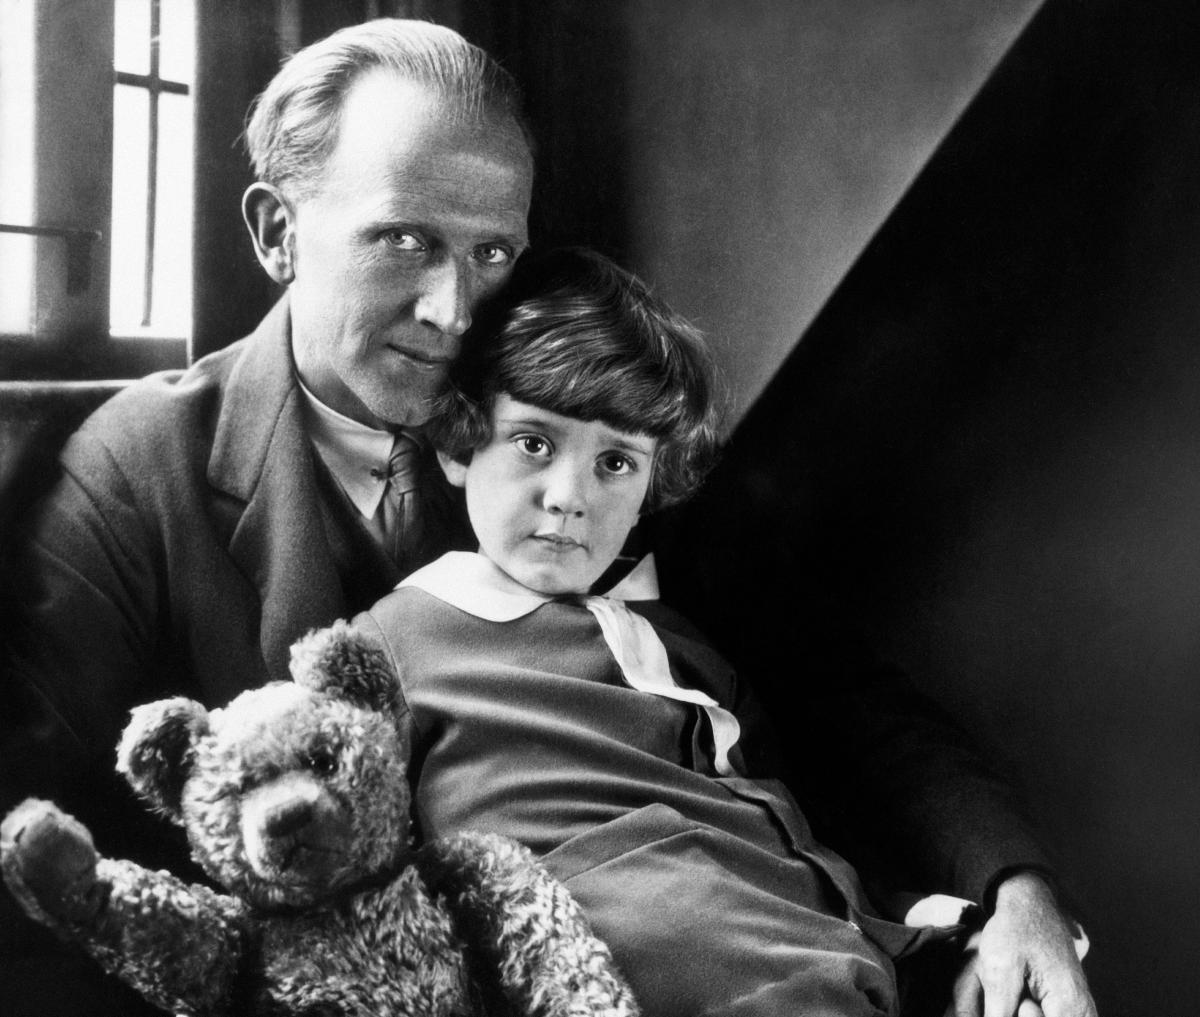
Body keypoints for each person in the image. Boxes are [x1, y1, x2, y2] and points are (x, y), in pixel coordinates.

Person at [0, 17, 1092, 1017]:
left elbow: (835, 690)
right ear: (275, 232)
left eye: (491, 252)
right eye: (403, 242)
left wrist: (1014, 888)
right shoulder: (135, 471)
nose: (455, 311)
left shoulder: (579, 422)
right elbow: (38, 863)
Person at [351, 247, 1088, 1016]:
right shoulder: (402, 636)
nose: (568, 496)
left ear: (651, 485)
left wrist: (992, 903)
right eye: (534, 443)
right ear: (458, 444)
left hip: (823, 959)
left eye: (615, 462)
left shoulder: (687, 635)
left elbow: (800, 814)